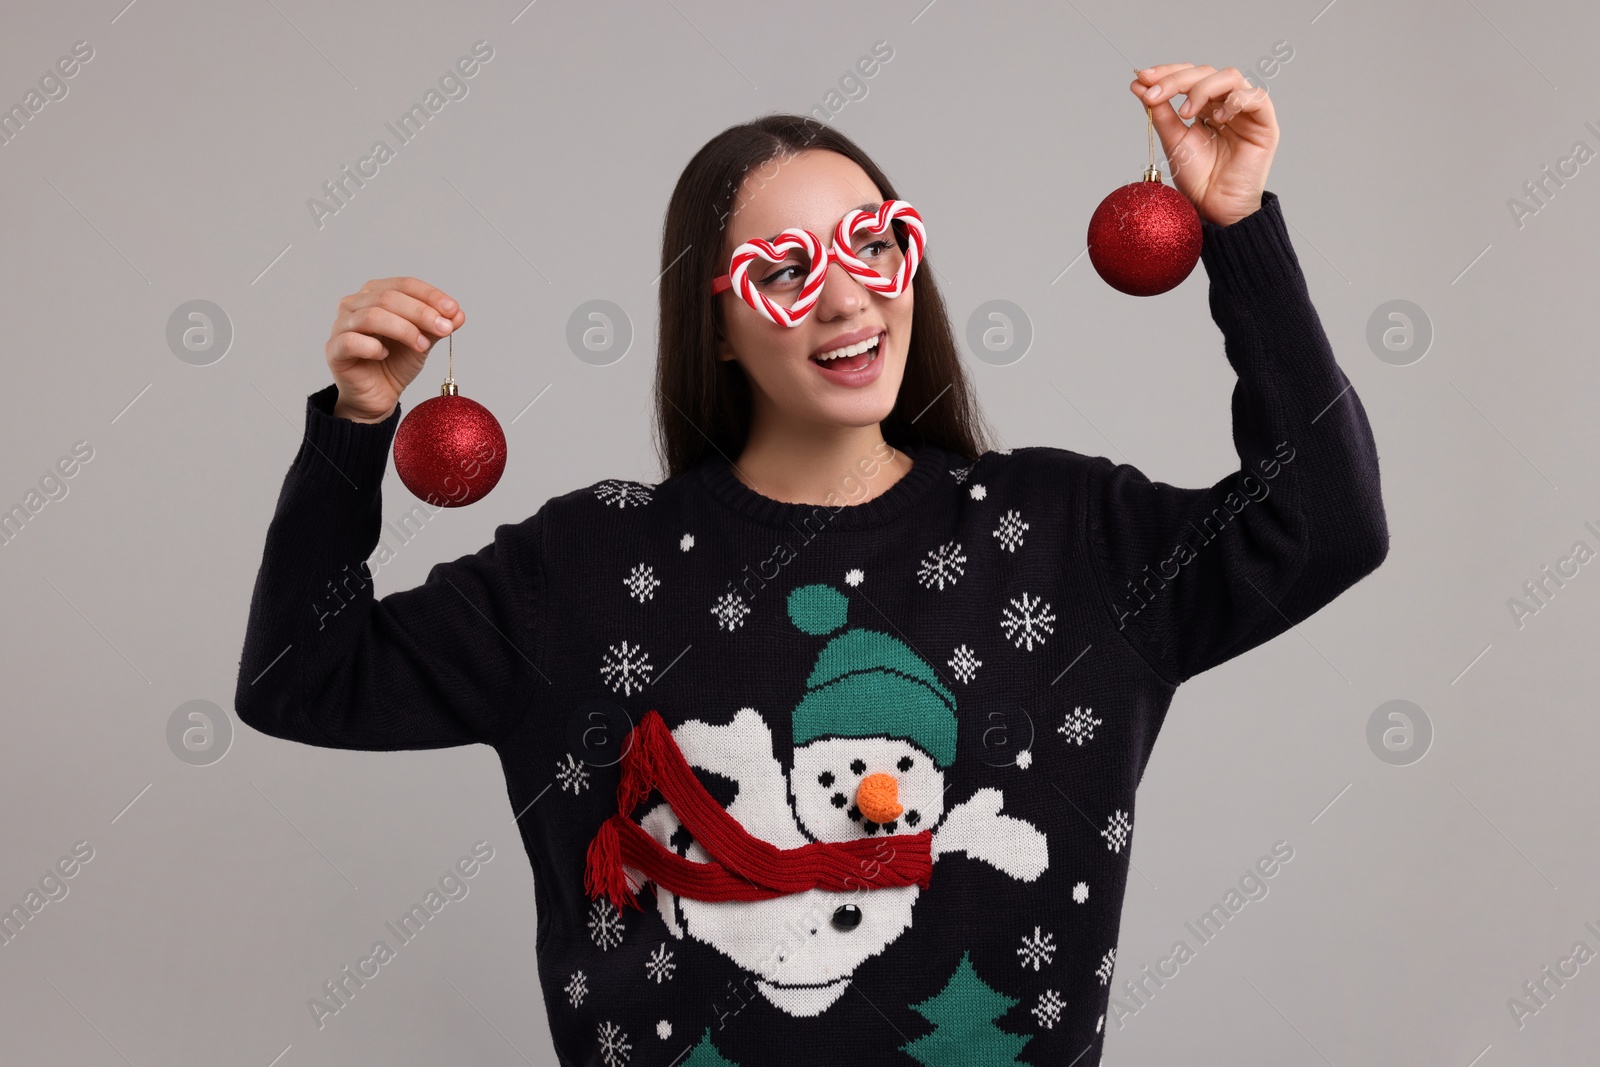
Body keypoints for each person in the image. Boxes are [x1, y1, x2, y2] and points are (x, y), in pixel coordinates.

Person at [235, 63, 1389, 1066]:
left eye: (873, 244)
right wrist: (356, 426)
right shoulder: (585, 568)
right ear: (716, 318)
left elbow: (1326, 522)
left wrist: (1237, 233)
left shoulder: (1062, 537)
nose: (845, 296)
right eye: (784, 269)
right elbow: (303, 673)